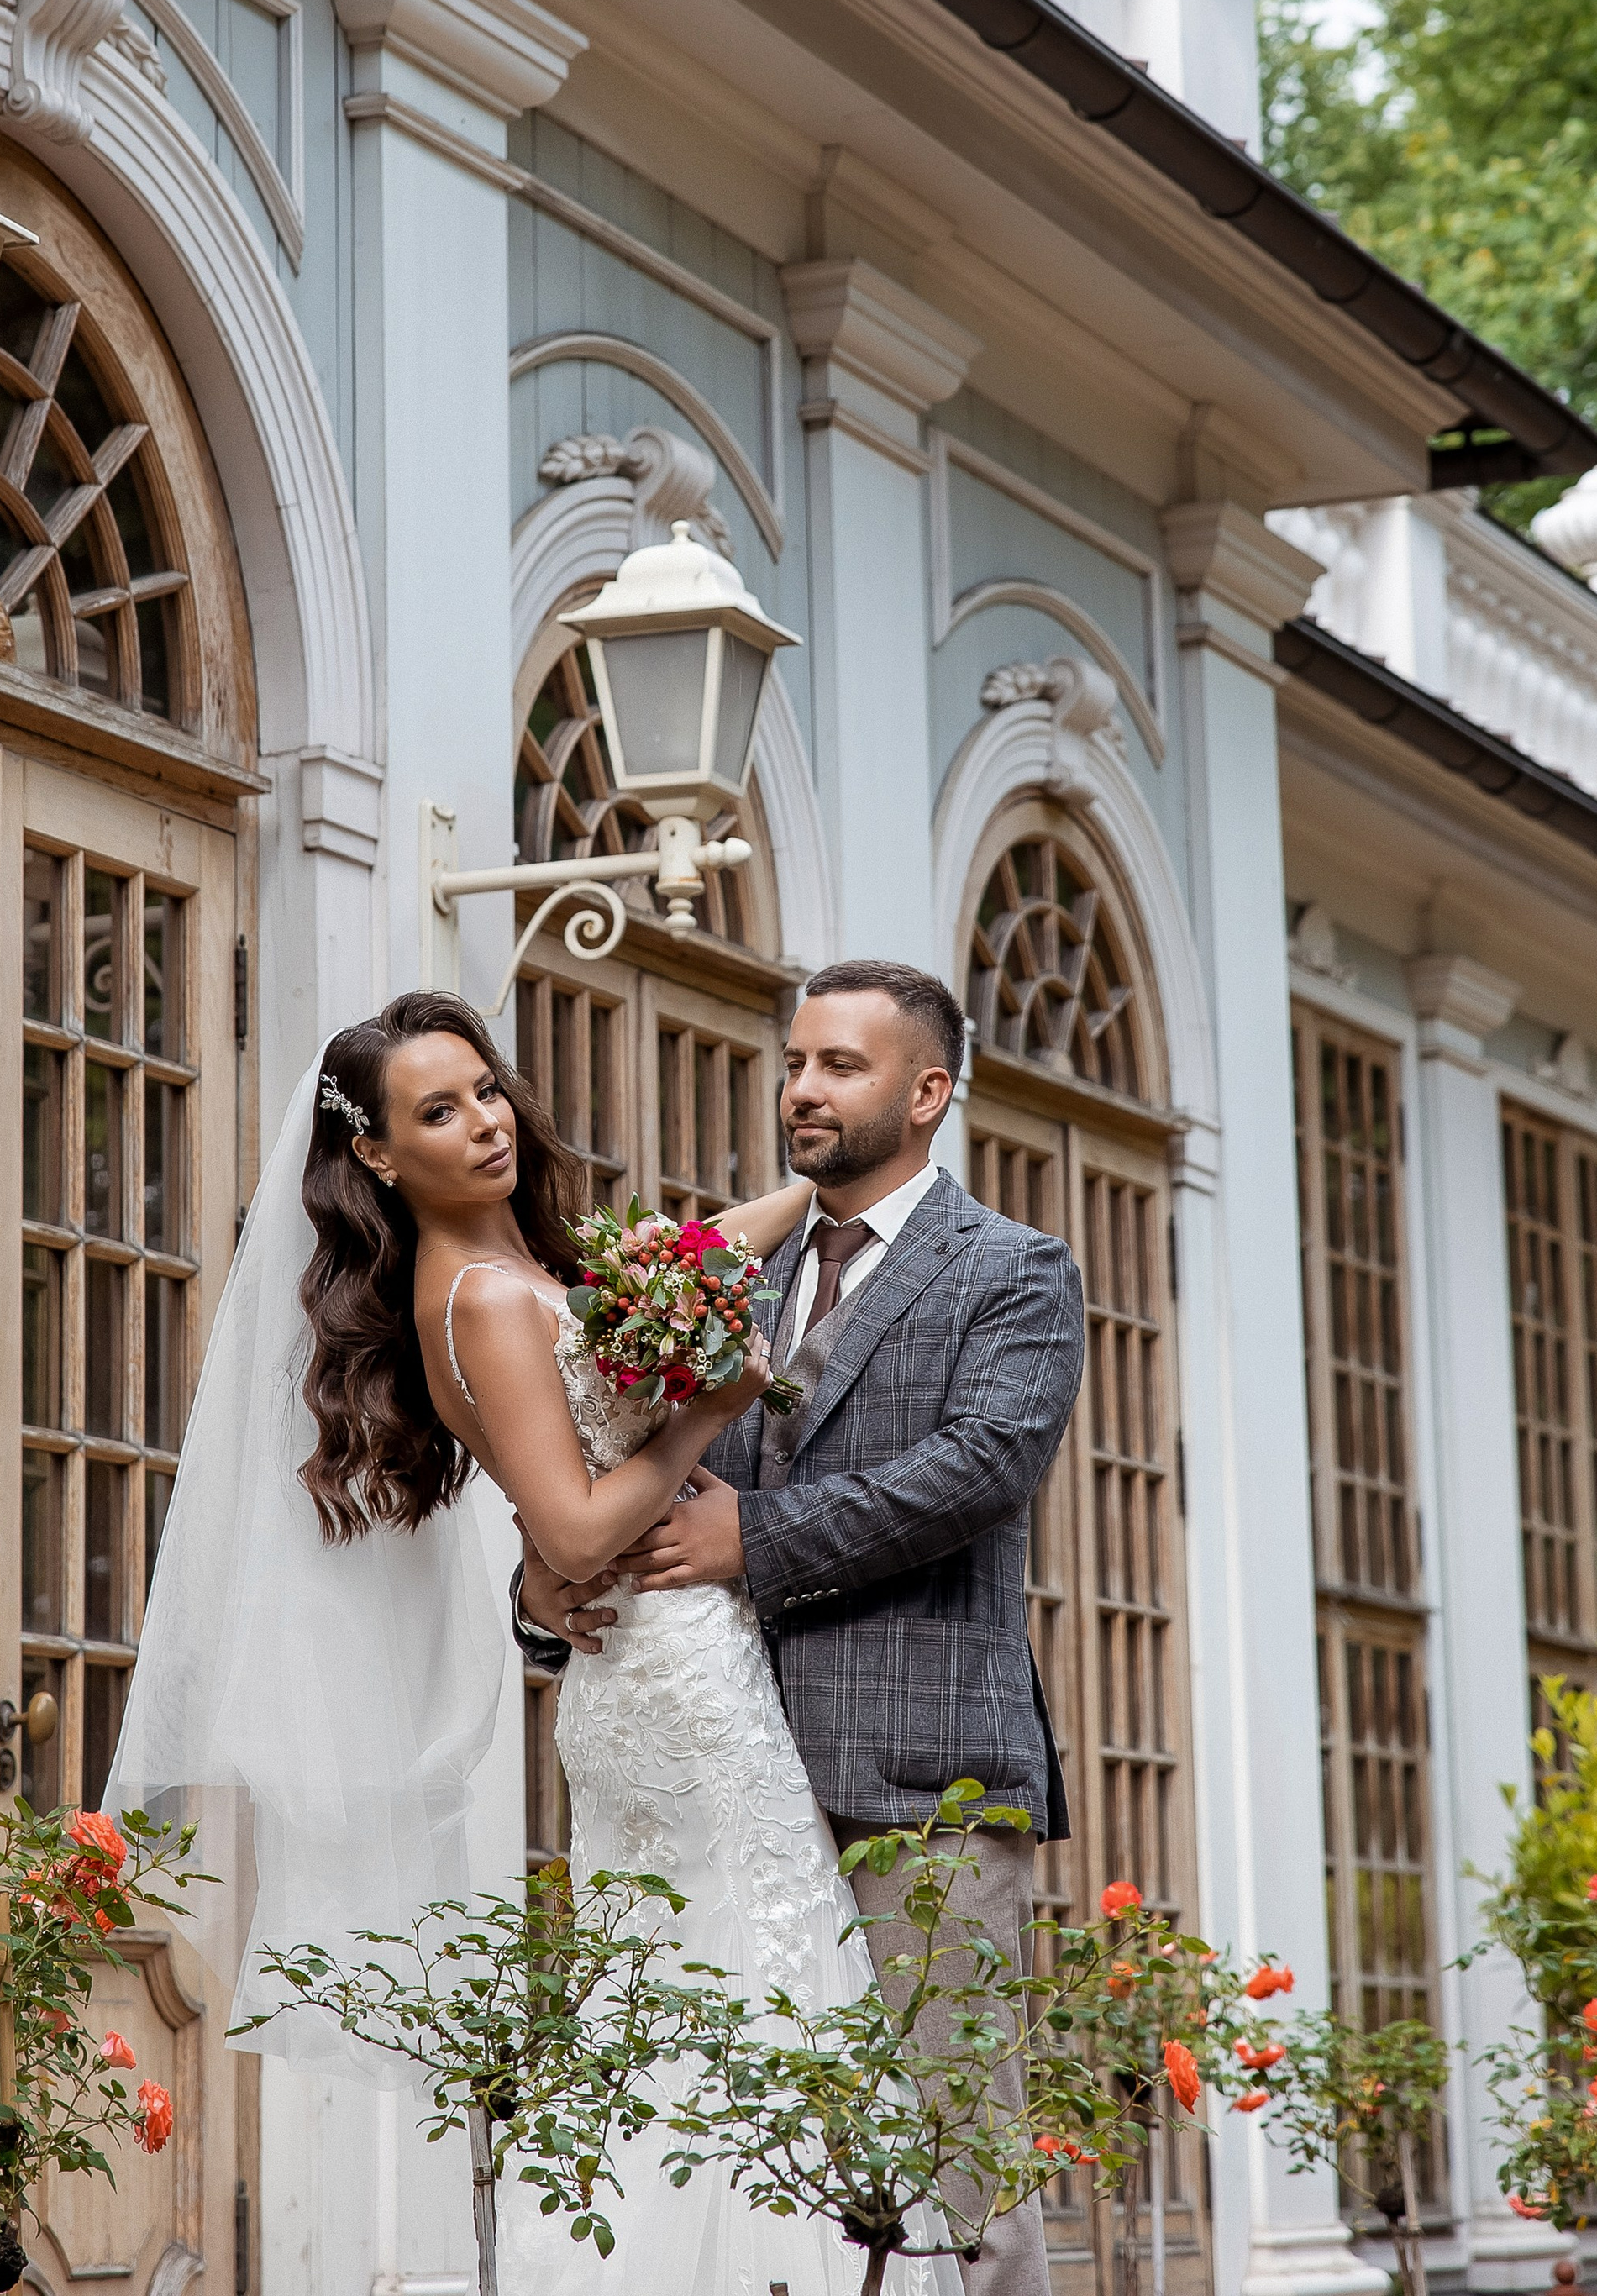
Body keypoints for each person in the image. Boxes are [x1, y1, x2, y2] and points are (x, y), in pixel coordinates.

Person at [105, 986, 856, 2296]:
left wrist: (814, 1191)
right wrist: (711, 1405)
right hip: (674, 1677)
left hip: (651, 1665)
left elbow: (698, 1253)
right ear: (379, 1153)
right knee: (752, 1985)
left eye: (487, 1089)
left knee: (700, 2001)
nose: (487, 1122)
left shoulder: (515, 1278)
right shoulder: (487, 1300)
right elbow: (573, 1528)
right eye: (439, 1111)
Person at [516, 959, 1086, 2296]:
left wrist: (755, 1540)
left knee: (949, 2176)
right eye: (795, 1062)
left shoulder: (1015, 1269)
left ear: (928, 1091)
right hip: (721, 1782)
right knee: (736, 2177)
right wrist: (546, 1594)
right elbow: (617, 1468)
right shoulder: (723, 1272)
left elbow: (981, 1466)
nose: (803, 1089)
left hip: (917, 1782)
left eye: (840, 1064)